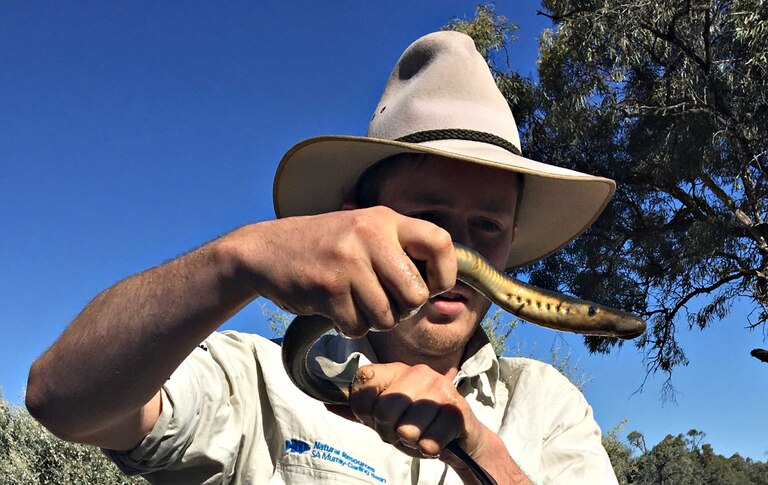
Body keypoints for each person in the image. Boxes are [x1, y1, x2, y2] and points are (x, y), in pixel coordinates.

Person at [26, 31, 620, 484]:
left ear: (509, 244)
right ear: (355, 216)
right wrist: (236, 259)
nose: (452, 249)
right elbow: (62, 400)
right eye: (427, 218)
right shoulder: (251, 379)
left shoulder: (547, 405)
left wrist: (477, 446)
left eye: (486, 225)